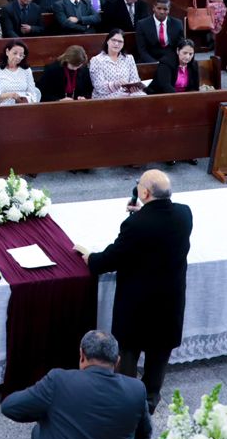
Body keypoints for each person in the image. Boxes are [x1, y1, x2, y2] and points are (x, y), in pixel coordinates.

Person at [76, 169, 192, 411]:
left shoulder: (136, 225)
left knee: (128, 355)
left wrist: (90, 257)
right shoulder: (184, 214)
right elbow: (160, 226)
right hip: (169, 304)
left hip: (138, 307)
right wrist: (145, 212)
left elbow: (112, 258)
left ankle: (125, 403)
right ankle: (150, 399)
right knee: (159, 355)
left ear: (145, 192)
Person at [0, 330, 152, 439]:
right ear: (117, 361)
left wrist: (45, 414)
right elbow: (144, 434)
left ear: (81, 355)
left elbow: (9, 407)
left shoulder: (58, 380)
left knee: (38, 431)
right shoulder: (137, 389)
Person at [89, 30, 142, 99]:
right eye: (113, 40)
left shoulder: (129, 58)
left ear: (123, 44)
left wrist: (132, 87)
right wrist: (116, 84)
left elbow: (135, 79)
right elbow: (99, 86)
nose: (116, 44)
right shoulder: (96, 60)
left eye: (120, 41)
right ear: (107, 41)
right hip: (105, 96)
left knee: (142, 96)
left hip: (127, 93)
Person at [134, 0, 186, 66]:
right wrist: (155, 63)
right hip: (151, 59)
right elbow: (142, 50)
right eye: (159, 8)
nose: (162, 12)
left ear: (169, 10)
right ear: (153, 8)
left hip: (170, 59)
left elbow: (180, 46)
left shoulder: (177, 24)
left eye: (165, 9)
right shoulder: (142, 24)